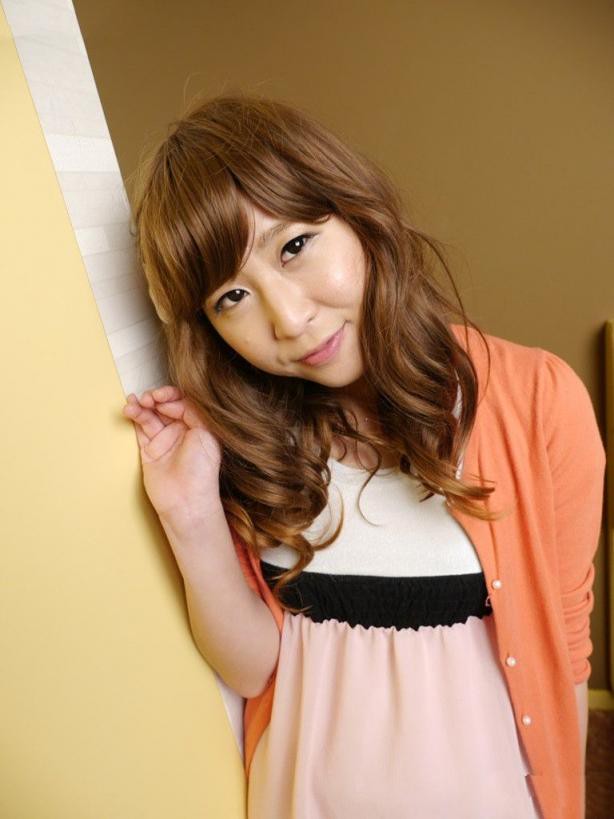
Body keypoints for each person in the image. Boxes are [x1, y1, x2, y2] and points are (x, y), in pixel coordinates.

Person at [121, 93, 605, 819]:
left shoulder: (538, 400)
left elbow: (564, 644)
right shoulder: (247, 440)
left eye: (293, 247)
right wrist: (192, 517)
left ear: (354, 212)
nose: (289, 318)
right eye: (233, 296)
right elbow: (253, 670)